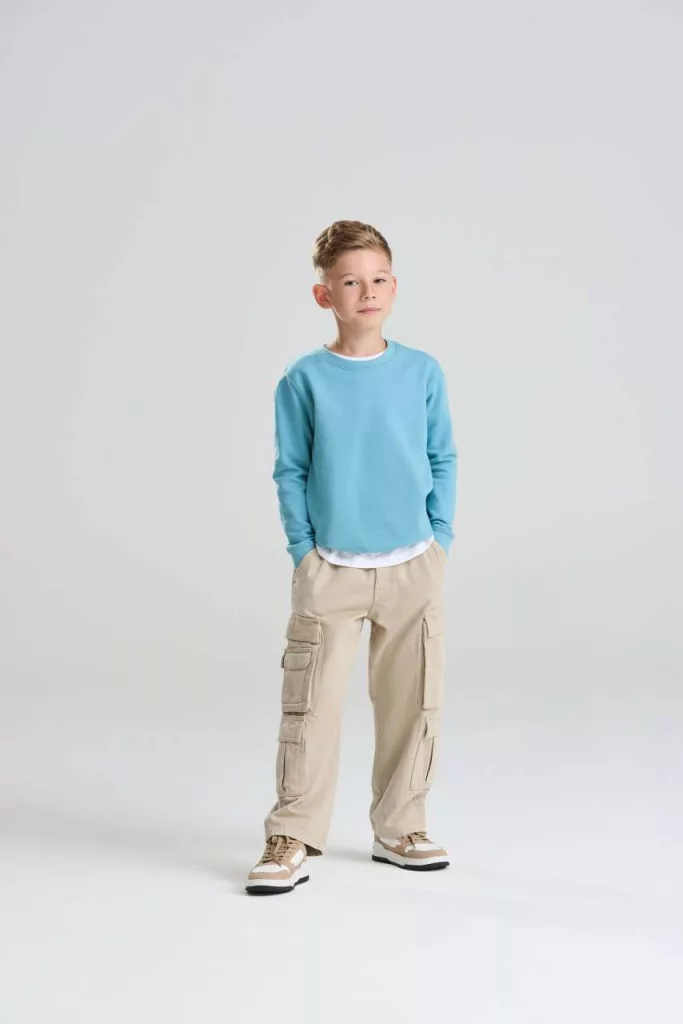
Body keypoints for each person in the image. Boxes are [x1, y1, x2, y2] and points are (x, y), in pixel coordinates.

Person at [245, 220, 458, 895]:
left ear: (393, 286)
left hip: (412, 566)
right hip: (330, 570)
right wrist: (303, 553)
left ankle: (401, 827)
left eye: (378, 279)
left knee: (412, 705)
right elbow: (290, 470)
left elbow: (441, 457)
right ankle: (291, 833)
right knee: (310, 707)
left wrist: (439, 538)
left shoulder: (421, 372)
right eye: (350, 282)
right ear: (324, 295)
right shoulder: (304, 379)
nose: (367, 292)